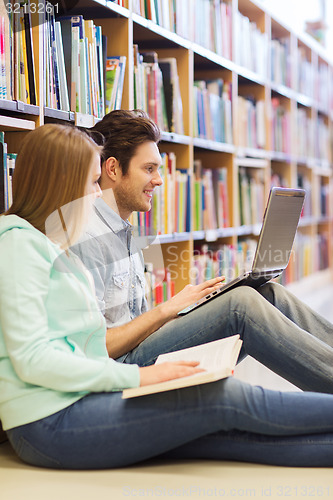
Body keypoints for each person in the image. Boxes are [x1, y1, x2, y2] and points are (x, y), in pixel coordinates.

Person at [2, 124, 333, 469]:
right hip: (51, 419)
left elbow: (83, 344)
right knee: (221, 399)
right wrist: (141, 376)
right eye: (90, 183)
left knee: (229, 433)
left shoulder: (56, 244)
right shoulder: (20, 245)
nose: (98, 194)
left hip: (80, 397)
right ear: (62, 186)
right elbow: (36, 359)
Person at [72, 109, 333, 394]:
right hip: (125, 370)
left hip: (143, 348)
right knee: (241, 304)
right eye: (149, 169)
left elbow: (136, 323)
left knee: (267, 293)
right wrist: (165, 311)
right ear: (112, 169)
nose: (159, 180)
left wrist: (187, 312)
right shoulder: (86, 237)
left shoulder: (126, 231)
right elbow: (97, 347)